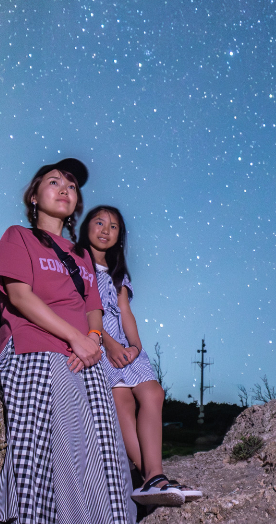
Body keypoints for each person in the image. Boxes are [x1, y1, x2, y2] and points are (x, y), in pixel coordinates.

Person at [0, 159, 177, 524]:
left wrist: (90, 340)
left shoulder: (78, 255)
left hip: (81, 354)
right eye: (54, 182)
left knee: (109, 458)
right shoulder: (19, 238)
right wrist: (73, 338)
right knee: (63, 451)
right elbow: (20, 295)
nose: (65, 189)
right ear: (35, 197)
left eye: (71, 185)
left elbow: (94, 309)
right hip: (34, 352)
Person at [77, 204, 201, 507]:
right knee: (123, 400)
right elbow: (80, 310)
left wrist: (134, 345)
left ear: (120, 236)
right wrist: (108, 345)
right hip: (97, 341)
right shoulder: (77, 264)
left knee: (153, 393)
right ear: (86, 227)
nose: (106, 230)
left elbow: (126, 312)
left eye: (114, 226)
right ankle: (151, 479)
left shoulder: (118, 271)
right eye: (99, 222)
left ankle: (153, 474)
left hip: (124, 343)